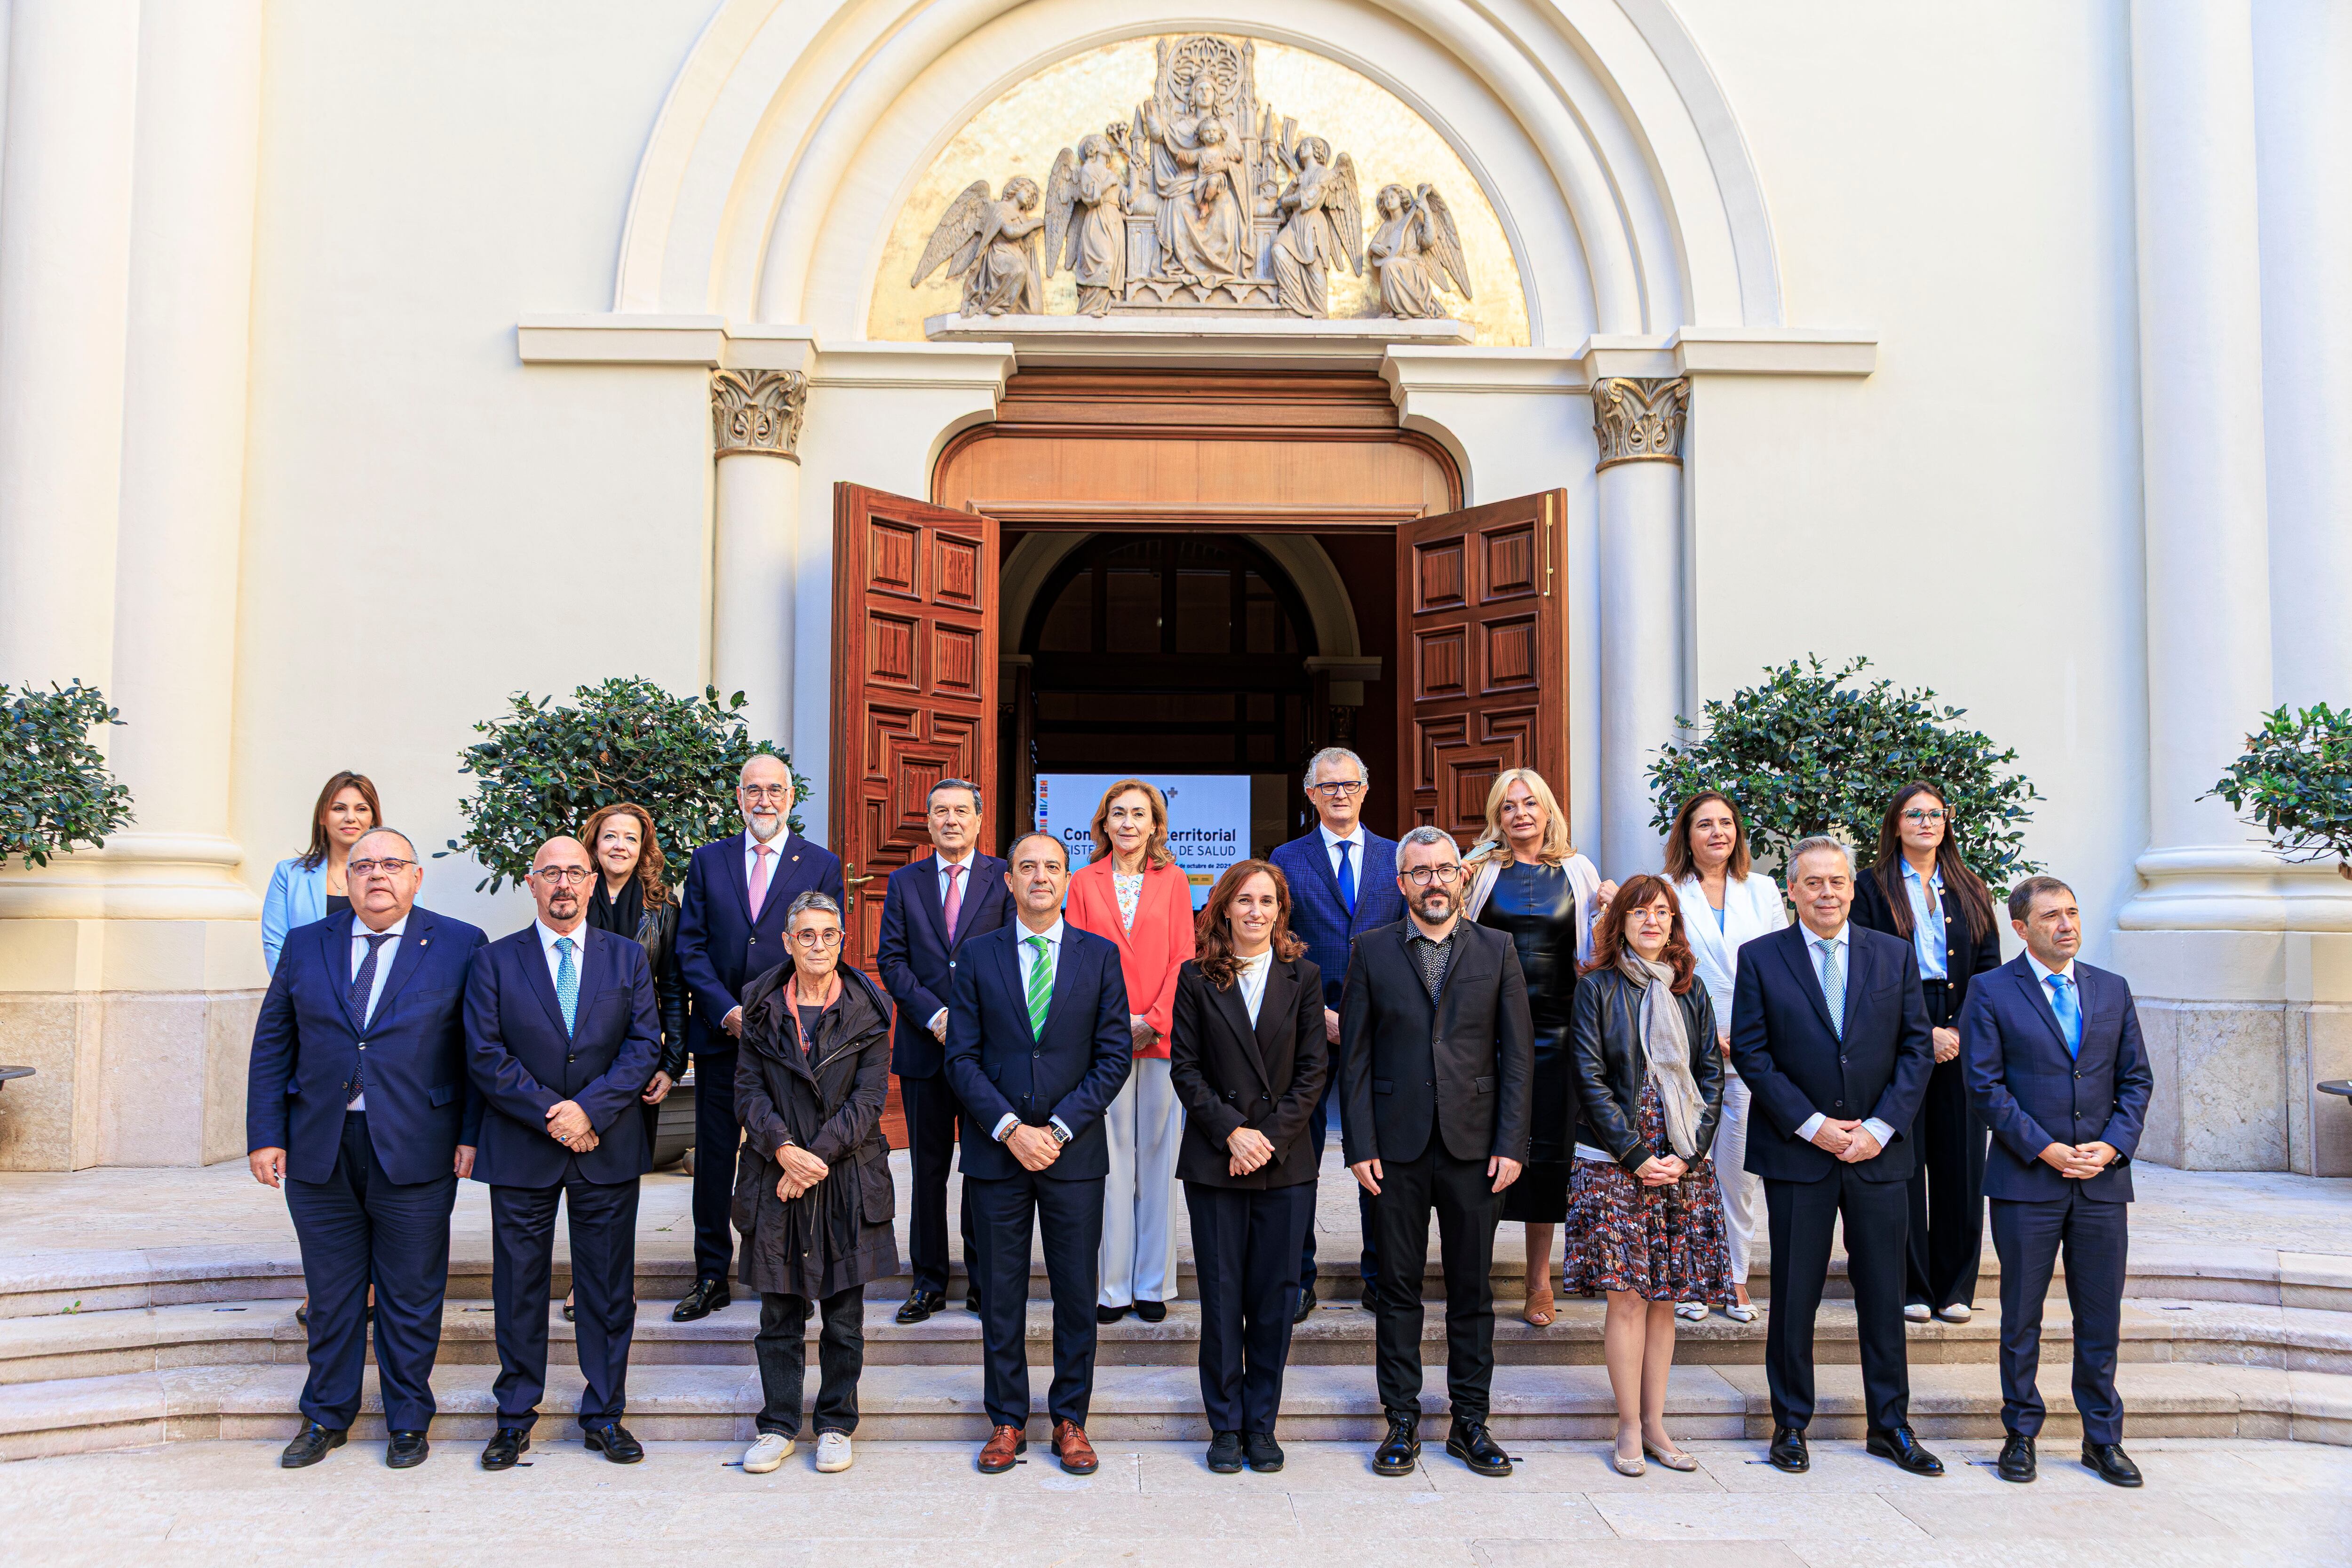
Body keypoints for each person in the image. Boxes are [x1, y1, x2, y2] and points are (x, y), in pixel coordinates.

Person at [245, 828, 485, 1470]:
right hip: (319, 1144)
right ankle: (326, 1413)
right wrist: (266, 1134)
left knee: (411, 1292)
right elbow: (274, 1043)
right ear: (346, 878)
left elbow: (477, 1052)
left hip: (418, 1145)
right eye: (363, 865)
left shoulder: (460, 944)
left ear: (415, 877)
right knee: (332, 1291)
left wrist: (470, 1134)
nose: (377, 875)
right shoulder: (306, 945)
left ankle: (409, 1420)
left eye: (391, 864)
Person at [1729, 837, 1939, 1478]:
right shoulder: (1761, 957)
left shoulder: (1894, 956)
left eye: (1837, 882)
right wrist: (1814, 1125)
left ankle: (1891, 1424)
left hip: (1878, 1152)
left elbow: (1917, 1047)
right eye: (1812, 882)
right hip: (1801, 1153)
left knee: (1882, 1293)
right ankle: (1790, 1423)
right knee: (1796, 1294)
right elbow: (1754, 1053)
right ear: (1791, 889)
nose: (1826, 892)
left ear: (1853, 887)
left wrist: (1878, 1126)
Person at [1338, 825, 1531, 1480]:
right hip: (1394, 1148)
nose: (1434, 881)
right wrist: (1358, 1144)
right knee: (1396, 1289)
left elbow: (1518, 1057)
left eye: (1445, 869)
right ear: (1402, 883)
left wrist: (1512, 1143)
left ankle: (1470, 1422)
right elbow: (1356, 1059)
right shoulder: (1370, 950)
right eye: (1420, 872)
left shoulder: (1499, 949)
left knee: (1473, 1290)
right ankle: (1400, 1420)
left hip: (1478, 1147)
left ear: (1463, 876)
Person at [465, 836, 662, 1470]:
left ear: (590, 877)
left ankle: (604, 1413)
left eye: (575, 871)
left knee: (607, 1289)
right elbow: (486, 1054)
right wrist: (557, 1114)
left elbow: (643, 1045)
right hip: (524, 1144)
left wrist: (591, 1111)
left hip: (605, 1143)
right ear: (531, 882)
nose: (564, 883)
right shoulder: (495, 961)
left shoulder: (628, 957)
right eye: (551, 872)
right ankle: (514, 1415)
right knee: (518, 1286)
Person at [943, 832, 1133, 1476]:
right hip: (997, 1155)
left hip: (1072, 1154)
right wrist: (1007, 1128)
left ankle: (1071, 1418)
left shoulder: (1100, 956)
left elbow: (1113, 1057)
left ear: (1068, 878)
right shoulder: (976, 956)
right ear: (1009, 881)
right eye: (1028, 866)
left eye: (1052, 866)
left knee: (1076, 1292)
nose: (1041, 876)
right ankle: (1006, 1419)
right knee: (1000, 1292)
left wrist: (1055, 1128)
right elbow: (960, 1058)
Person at [1960, 876, 2153, 1489]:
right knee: (2021, 1316)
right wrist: (2044, 1148)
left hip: (2102, 1182)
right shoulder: (1990, 991)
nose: (2066, 924)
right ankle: (2021, 1433)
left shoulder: (2111, 988)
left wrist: (2114, 1144)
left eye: (2072, 912)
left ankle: (2103, 1438)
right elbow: (1984, 1084)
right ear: (2022, 927)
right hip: (2026, 1181)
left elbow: (2136, 1080)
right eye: (2051, 916)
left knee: (2100, 1316)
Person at [1565, 875, 1733, 1476]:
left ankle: (1658, 1423)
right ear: (1619, 924)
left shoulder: (1691, 991)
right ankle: (1628, 1426)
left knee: (1664, 1299)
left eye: (1661, 912)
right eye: (1639, 912)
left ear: (1673, 922)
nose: (1651, 921)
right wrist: (1636, 1153)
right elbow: (1586, 1076)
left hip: (1682, 1163)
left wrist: (1687, 1155)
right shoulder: (1597, 987)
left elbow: (1710, 1075)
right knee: (1628, 1298)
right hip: (1616, 1164)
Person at [1168, 861, 1328, 1476]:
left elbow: (1314, 1070)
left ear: (1279, 909)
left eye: (1268, 901)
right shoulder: (1195, 977)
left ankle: (1262, 1422)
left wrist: (1266, 1136)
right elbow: (1185, 1067)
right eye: (1245, 900)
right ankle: (1225, 1424)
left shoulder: (1304, 975)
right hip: (1216, 1160)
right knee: (1222, 1298)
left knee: (1272, 1300)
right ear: (1224, 907)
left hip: (1284, 1162)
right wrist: (1233, 1131)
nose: (1256, 911)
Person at [732, 891, 900, 1477]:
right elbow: (747, 1092)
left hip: (844, 1177)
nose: (819, 944)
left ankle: (834, 1423)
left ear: (842, 940)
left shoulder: (871, 1008)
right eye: (806, 934)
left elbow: (869, 1099)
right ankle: (778, 1425)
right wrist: (783, 1150)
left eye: (829, 934)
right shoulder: (758, 1007)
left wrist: (813, 1160)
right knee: (778, 1313)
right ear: (787, 941)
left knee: (844, 1316)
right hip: (774, 1173)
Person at [674, 754, 844, 1322]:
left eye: (774, 790)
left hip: (792, 1041)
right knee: (717, 1155)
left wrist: (783, 1014)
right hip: (724, 1035)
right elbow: (690, 948)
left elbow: (822, 947)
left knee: (788, 1150)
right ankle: (709, 1274)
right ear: (739, 797)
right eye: (753, 790)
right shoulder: (708, 860)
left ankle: (788, 1267)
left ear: (791, 797)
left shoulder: (820, 863)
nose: (764, 799)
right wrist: (727, 1012)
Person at [1460, 768, 1610, 1328]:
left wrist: (1610, 905)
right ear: (1496, 816)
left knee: (1545, 1153)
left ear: (1548, 811)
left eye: (1530, 804)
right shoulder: (1478, 871)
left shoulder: (1577, 869)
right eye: (1508, 806)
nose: (1520, 813)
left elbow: (1600, 945)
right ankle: (1470, 1272)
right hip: (1484, 1030)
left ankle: (1538, 1280)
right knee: (1477, 1146)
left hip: (1557, 1028)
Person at [1852, 782, 2004, 1325]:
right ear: (1895, 823)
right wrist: (1922, 1031)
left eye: (1934, 814)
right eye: (1913, 814)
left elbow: (1988, 965)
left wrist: (1959, 1030)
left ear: (1947, 822)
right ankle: (1911, 1283)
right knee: (1903, 1158)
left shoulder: (1968, 885)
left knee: (1960, 1160)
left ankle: (1955, 1285)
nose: (1924, 822)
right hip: (1897, 1025)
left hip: (1962, 1025)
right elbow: (1867, 965)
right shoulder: (1869, 887)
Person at [1266, 745, 1403, 1317]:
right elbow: (1278, 943)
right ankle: (1297, 1278)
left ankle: (1381, 1276)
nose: (1340, 793)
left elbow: (1413, 940)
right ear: (1311, 794)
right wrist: (1316, 1013)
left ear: (1365, 789)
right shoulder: (1286, 857)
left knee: (1381, 1157)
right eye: (1328, 786)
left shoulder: (1399, 856)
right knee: (1297, 1157)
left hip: (1386, 1030)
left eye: (1349, 784)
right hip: (1307, 1028)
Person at [874, 778, 1012, 1323]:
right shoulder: (904, 881)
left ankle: (983, 1283)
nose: (951, 820)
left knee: (983, 1168)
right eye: (940, 812)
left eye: (961, 811)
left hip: (986, 1053)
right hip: (922, 1047)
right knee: (927, 1169)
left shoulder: (1004, 878)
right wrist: (935, 1015)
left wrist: (969, 1022)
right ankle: (928, 1281)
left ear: (979, 820)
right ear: (928, 823)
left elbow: (1010, 955)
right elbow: (892, 960)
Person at [1065, 778, 1195, 1325]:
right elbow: (1074, 953)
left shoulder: (1174, 881)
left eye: (1138, 815)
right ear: (1103, 823)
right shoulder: (1082, 880)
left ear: (1154, 826)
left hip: (1161, 1038)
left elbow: (1182, 957)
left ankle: (1153, 1284)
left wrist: (1153, 1019)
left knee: (1158, 1162)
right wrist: (1117, 1025)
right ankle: (1112, 1287)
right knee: (1111, 1166)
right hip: (1103, 1041)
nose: (1127, 824)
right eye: (1117, 814)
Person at [1664, 791, 1784, 1324]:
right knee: (1690, 1168)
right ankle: (1689, 1280)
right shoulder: (1666, 891)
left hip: (1753, 1050)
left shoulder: (1760, 890)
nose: (1717, 832)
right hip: (1686, 1050)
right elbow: (1658, 965)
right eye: (1704, 824)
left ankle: (1733, 1279)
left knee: (1737, 1174)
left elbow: (1783, 968)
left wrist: (1751, 1034)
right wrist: (1704, 1031)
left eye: (1726, 823)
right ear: (1685, 837)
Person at [570, 801, 688, 1324]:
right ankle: (581, 1280)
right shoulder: (572, 891)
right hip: (574, 1057)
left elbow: (672, 985)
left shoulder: (663, 906)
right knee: (576, 1175)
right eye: (610, 836)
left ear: (644, 850)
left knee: (618, 1179)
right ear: (594, 842)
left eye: (631, 838)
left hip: (635, 1058)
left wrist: (671, 1060)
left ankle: (617, 1281)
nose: (619, 845)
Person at [262, 770, 383, 976]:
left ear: (373, 819)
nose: (350, 818)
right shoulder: (289, 875)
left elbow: (411, 940)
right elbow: (276, 947)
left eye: (361, 809)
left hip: (378, 998)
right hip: (308, 998)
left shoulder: (396, 874)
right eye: (339, 808)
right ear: (322, 817)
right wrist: (303, 996)